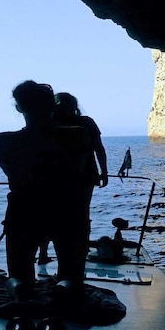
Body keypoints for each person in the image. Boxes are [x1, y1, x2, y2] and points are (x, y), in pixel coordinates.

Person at [0, 81, 92, 300]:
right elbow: (79, 171)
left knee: (18, 273)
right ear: (52, 106)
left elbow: (11, 173)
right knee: (72, 274)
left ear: (19, 107)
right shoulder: (77, 135)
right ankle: (64, 288)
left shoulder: (1, 141)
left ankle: (19, 288)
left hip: (23, 208)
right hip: (67, 207)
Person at [37, 92, 110, 264]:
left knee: (48, 214)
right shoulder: (86, 123)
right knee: (81, 214)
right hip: (85, 175)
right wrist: (104, 172)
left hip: (53, 177)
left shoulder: (48, 124)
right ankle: (80, 251)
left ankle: (43, 254)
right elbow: (99, 148)